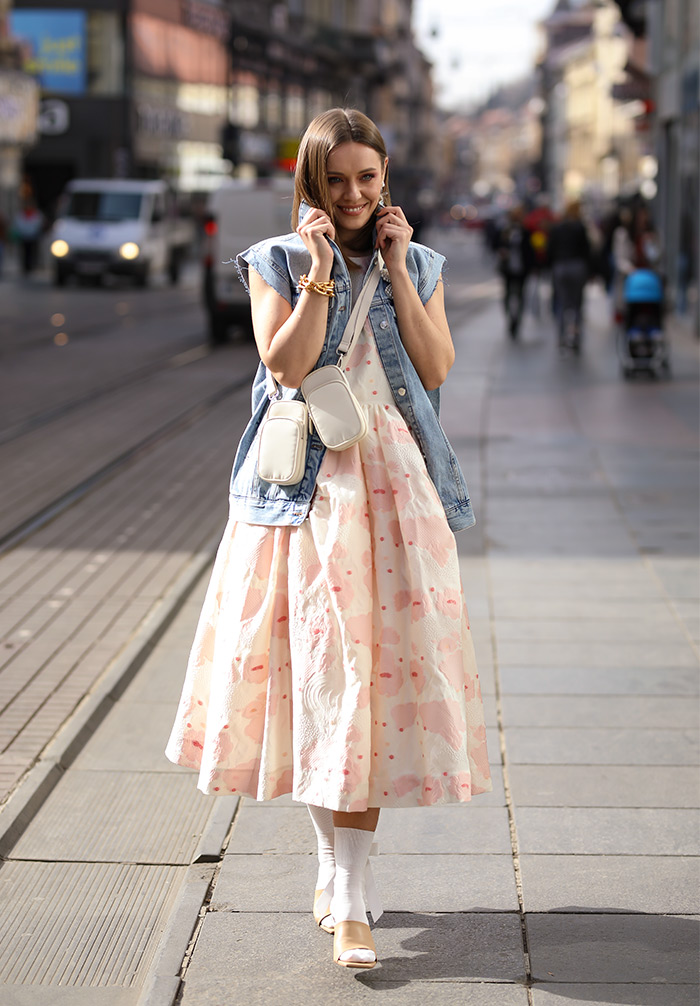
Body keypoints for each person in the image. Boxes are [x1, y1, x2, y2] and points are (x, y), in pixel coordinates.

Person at [165, 108, 492, 970]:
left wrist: (391, 265)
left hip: (396, 491)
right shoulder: (275, 259)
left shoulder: (417, 262)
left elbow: (435, 367)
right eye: (337, 180)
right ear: (312, 184)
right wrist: (319, 271)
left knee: (372, 686)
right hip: (305, 496)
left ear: (387, 182)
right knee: (322, 683)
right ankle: (338, 877)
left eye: (368, 179)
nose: (353, 195)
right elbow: (284, 365)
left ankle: (348, 889)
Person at [548, 200, 591, 352]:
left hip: (561, 267)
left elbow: (550, 249)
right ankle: (576, 336)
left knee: (562, 303)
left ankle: (561, 338)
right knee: (577, 305)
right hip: (577, 267)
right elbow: (587, 251)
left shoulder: (558, 228)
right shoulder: (580, 227)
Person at [496, 204, 533, 338]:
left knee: (521, 295)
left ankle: (517, 320)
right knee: (508, 295)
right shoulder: (505, 231)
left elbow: (530, 251)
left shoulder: (526, 232)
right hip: (508, 269)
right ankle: (510, 318)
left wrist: (533, 266)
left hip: (522, 269)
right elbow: (496, 245)